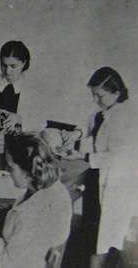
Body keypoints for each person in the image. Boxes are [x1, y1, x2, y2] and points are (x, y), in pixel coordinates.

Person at [61, 67, 138, 267]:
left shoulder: (125, 117)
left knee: (102, 234)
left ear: (117, 93)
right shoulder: (107, 110)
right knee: (94, 230)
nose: (96, 100)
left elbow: (117, 157)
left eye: (99, 95)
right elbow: (91, 122)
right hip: (97, 176)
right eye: (93, 95)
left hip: (114, 182)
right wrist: (76, 134)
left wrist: (83, 155)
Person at [0, 133, 72, 268]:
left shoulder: (30, 217)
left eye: (10, 167)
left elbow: (5, 264)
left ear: (28, 174)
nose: (6, 170)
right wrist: (10, 208)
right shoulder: (57, 189)